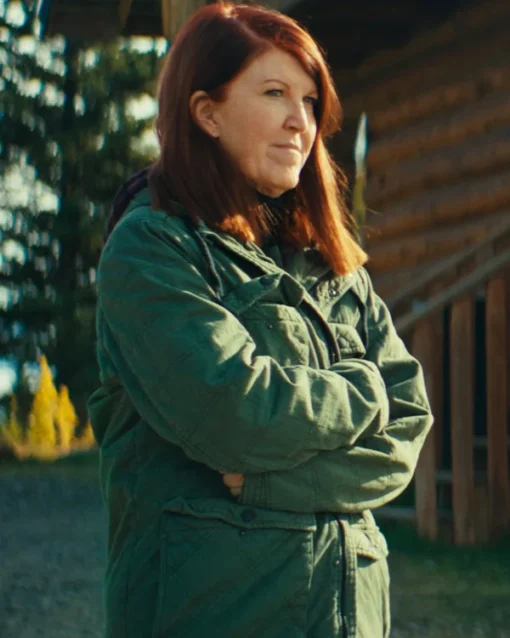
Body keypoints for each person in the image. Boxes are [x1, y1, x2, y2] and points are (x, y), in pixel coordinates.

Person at [88, 4, 433, 638]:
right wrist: (364, 391)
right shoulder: (151, 250)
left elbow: (409, 421)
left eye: (309, 100)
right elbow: (234, 414)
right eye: (274, 93)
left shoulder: (334, 266)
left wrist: (273, 485)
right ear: (207, 112)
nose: (300, 120)